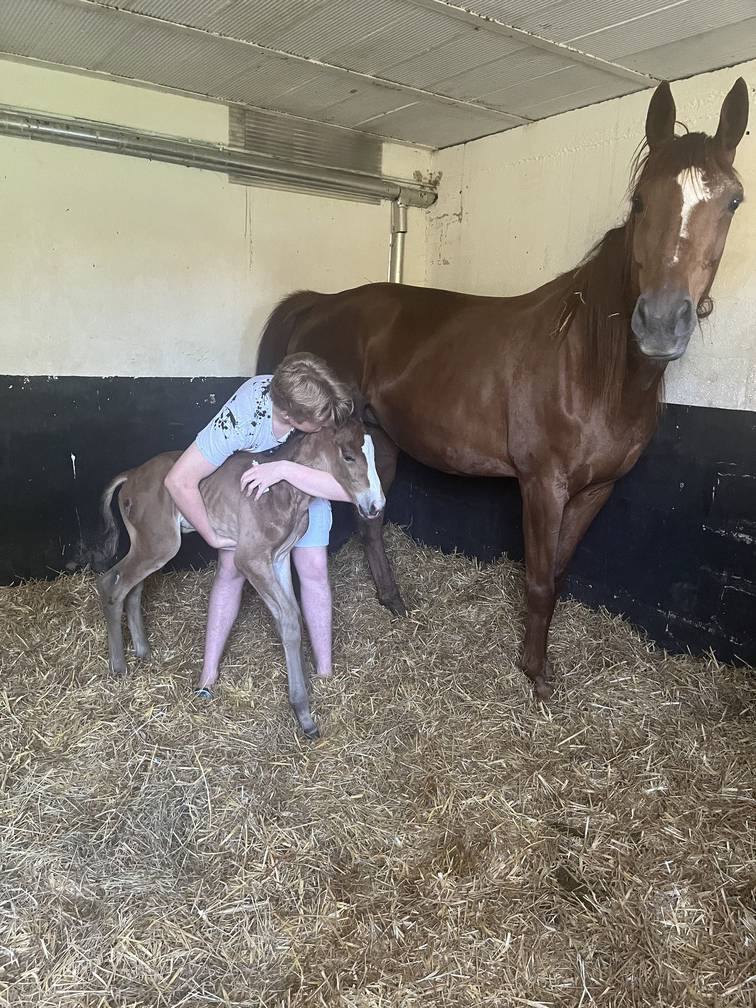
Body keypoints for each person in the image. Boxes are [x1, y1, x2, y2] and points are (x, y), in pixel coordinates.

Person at [164, 353, 354, 695]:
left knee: (313, 564)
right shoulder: (243, 416)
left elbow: (349, 489)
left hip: (304, 490)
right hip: (251, 496)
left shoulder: (319, 405)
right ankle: (207, 677)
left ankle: (326, 676)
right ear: (288, 416)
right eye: (319, 421)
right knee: (230, 568)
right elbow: (178, 480)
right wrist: (211, 534)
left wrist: (282, 470)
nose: (328, 425)